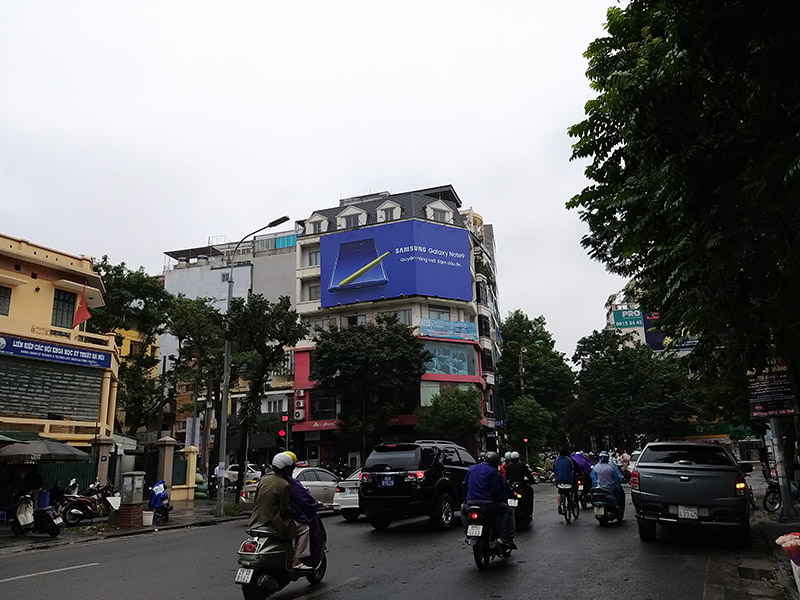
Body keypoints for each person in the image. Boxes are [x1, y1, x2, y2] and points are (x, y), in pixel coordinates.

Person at [248, 453, 313, 570]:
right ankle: (297, 561)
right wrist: (296, 514)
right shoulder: (284, 484)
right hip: (272, 522)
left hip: (256, 519)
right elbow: (284, 510)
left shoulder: (263, 480)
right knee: (304, 528)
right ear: (286, 469)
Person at [460, 451, 516, 549]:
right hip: (488, 505)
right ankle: (504, 537)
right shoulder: (493, 472)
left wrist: (465, 501)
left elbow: (464, 486)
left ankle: (468, 535)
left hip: (471, 503)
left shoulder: (471, 469)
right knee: (507, 511)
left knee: (463, 511)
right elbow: (499, 489)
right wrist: (504, 500)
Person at [282, 451, 325, 568]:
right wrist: (314, 505)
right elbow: (304, 499)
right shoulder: (287, 483)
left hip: (261, 517)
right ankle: (298, 560)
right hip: (277, 518)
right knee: (304, 528)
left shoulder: (267, 480)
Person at [554, 448, 578, 515]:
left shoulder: (556, 461)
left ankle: (559, 506)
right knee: (573, 490)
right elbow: (577, 469)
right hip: (569, 482)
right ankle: (571, 502)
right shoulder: (571, 460)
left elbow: (554, 470)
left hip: (559, 482)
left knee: (560, 492)